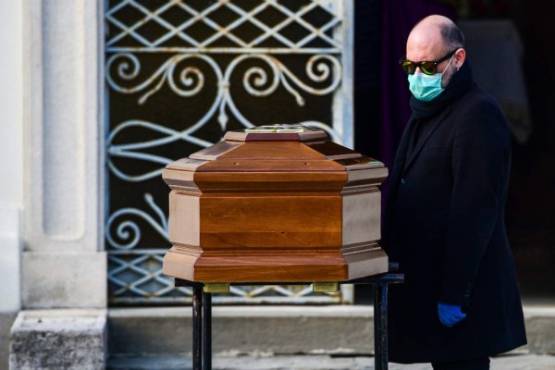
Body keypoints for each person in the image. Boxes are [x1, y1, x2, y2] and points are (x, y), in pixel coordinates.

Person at [381, 15, 527, 370]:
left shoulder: (478, 114)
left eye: (428, 66)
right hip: (427, 282)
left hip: (460, 291)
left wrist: (454, 293)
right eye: (410, 65)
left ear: (457, 59)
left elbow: (474, 211)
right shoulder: (428, 110)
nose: (417, 76)